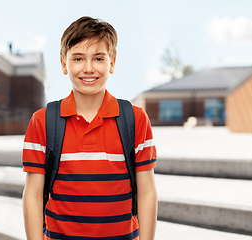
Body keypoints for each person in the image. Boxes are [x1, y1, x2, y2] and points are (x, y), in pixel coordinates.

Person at [22, 16, 157, 240]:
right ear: (64, 64)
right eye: (78, 58)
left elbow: (147, 191)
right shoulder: (43, 121)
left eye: (98, 58)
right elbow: (33, 194)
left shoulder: (135, 119)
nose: (88, 68)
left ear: (111, 62)